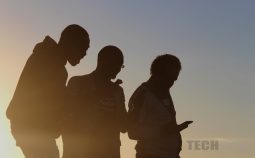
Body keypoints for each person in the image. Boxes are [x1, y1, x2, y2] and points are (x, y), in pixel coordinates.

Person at [6, 24, 90, 158]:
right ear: (70, 44)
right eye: (83, 48)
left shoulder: (50, 59)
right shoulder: (49, 61)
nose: (85, 54)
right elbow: (44, 100)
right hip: (31, 128)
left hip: (31, 128)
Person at [62, 45, 127, 158]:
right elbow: (68, 110)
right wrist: (101, 93)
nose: (118, 69)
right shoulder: (77, 82)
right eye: (117, 64)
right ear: (103, 61)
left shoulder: (117, 91)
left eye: (121, 66)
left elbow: (123, 126)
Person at [128, 54, 193, 158]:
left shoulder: (164, 92)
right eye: (169, 78)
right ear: (158, 74)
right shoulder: (142, 95)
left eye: (174, 80)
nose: (171, 83)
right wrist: (162, 131)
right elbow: (132, 131)